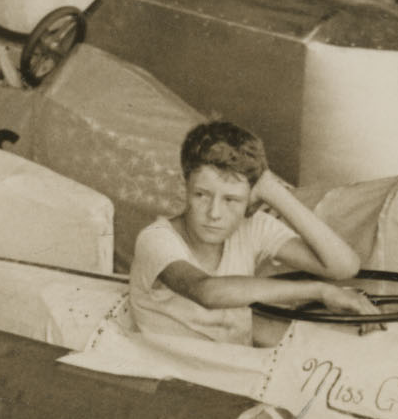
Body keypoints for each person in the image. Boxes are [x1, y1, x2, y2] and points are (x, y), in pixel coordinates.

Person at [127, 119, 372, 346]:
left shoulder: (253, 226)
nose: (214, 213)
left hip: (231, 370)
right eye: (201, 195)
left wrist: (274, 192)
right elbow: (208, 291)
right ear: (185, 187)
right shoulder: (156, 238)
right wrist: (320, 290)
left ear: (250, 198)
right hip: (168, 376)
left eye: (231, 200)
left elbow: (343, 266)